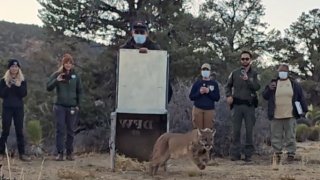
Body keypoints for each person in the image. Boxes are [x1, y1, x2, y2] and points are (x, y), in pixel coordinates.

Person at [262, 64, 307, 163]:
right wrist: (269, 89)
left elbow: (301, 97)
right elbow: (264, 96)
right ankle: (277, 154)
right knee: (276, 136)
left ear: (287, 72)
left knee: (290, 136)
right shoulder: (273, 83)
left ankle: (291, 154)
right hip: (276, 115)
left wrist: (304, 110)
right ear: (278, 72)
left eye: (284, 71)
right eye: (280, 71)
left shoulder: (294, 84)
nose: (282, 73)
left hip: (290, 115)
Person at [120, 20, 172, 103]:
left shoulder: (155, 48)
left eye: (142, 32)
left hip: (150, 90)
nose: (139, 34)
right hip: (130, 90)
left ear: (147, 33)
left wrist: (149, 55)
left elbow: (161, 71)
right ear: (132, 33)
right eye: (136, 32)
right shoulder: (125, 49)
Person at [225, 51, 261, 162]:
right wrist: (229, 96)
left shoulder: (254, 74)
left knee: (249, 131)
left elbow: (257, 87)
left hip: (249, 106)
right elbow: (228, 86)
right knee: (236, 131)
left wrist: (248, 80)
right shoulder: (235, 73)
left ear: (250, 60)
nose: (244, 61)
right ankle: (235, 154)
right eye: (243, 59)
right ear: (240, 60)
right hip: (237, 106)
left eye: (247, 59)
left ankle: (248, 155)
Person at [47, 53, 83, 161]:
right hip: (59, 106)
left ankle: (69, 153)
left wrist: (78, 105)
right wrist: (56, 80)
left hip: (72, 107)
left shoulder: (76, 76)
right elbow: (48, 87)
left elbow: (80, 91)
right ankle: (60, 153)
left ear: (72, 65)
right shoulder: (57, 74)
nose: (68, 65)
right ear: (63, 64)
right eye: (66, 63)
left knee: (71, 130)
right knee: (60, 129)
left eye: (70, 63)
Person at [0, 59, 30, 161]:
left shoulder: (22, 80)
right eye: (12, 67)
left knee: (19, 130)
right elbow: (1, 94)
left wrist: (18, 86)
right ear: (9, 68)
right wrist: (8, 86)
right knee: (5, 130)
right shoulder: (3, 80)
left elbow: (24, 94)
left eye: (16, 67)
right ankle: (1, 152)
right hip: (7, 107)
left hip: (18, 108)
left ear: (18, 68)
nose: (14, 68)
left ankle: (22, 153)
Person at [189, 63, 220, 129]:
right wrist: (199, 92)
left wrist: (209, 92)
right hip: (198, 109)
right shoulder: (197, 83)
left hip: (209, 110)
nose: (205, 71)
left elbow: (217, 98)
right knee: (197, 132)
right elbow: (191, 97)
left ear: (210, 71)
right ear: (201, 71)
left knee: (208, 132)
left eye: (207, 69)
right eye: (203, 69)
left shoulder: (214, 84)